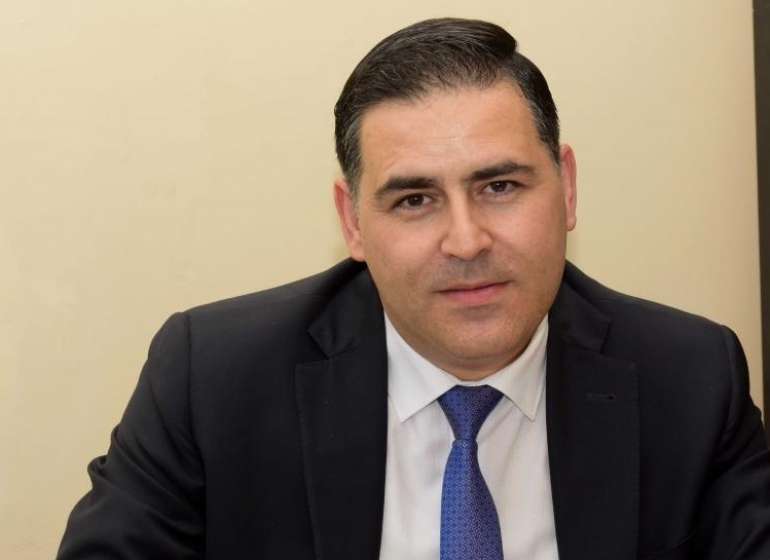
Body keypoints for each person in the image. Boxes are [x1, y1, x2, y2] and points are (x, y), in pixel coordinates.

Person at [58, 17, 770, 559]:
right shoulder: (212, 378)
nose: (466, 241)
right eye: (414, 200)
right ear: (352, 222)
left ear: (568, 188)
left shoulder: (690, 378)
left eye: (500, 186)